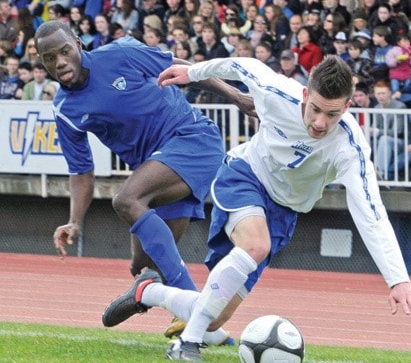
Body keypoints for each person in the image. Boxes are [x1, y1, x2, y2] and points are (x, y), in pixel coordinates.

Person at [103, 55, 411, 362]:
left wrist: (397, 279)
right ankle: (187, 344)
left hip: (284, 212)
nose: (319, 122)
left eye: (332, 114)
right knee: (256, 246)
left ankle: (148, 291)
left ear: (347, 106)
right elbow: (243, 65)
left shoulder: (351, 149)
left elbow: (371, 214)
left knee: (213, 316)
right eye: (314, 108)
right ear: (305, 93)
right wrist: (194, 73)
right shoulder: (278, 92)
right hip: (245, 175)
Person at [35, 20, 254, 345]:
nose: (60, 62)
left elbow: (183, 69)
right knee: (144, 266)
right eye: (49, 58)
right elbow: (81, 170)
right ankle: (199, 325)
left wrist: (236, 96)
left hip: (192, 138)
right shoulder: (65, 109)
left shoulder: (121, 53)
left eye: (65, 51)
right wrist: (74, 221)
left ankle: (194, 309)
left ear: (78, 44)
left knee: (126, 200)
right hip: (159, 165)